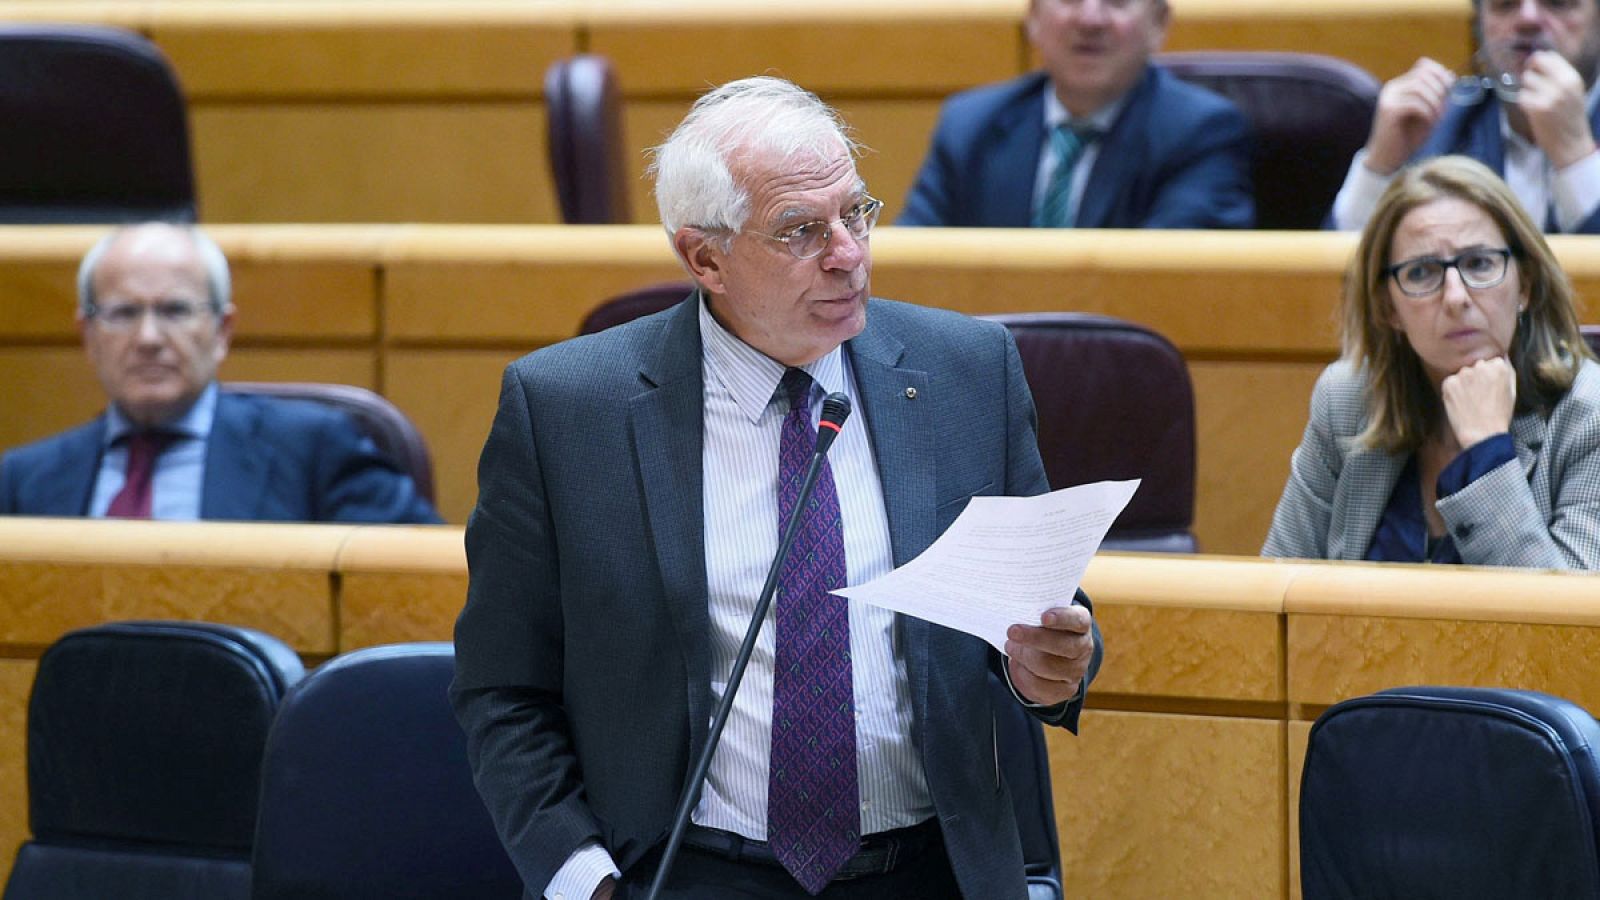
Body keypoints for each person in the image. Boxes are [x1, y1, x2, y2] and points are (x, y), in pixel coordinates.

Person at [453, 76, 1103, 900]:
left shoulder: (968, 372)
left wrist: (1053, 664)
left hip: (928, 870)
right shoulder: (568, 412)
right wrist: (588, 883)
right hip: (691, 873)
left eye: (856, 213)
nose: (848, 254)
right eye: (801, 231)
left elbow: (1038, 614)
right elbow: (503, 691)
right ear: (704, 257)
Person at [1265, 155, 1600, 568]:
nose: (1456, 296)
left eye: (1479, 264)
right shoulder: (1348, 401)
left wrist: (1486, 453)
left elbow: (1570, 626)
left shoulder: (1588, 415)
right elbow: (1278, 588)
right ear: (1388, 307)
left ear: (1525, 285)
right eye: (1422, 273)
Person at [0, 222, 440, 524]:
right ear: (89, 335)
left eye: (175, 310)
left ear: (222, 331)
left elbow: (415, 586)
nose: (149, 337)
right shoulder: (22, 482)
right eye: (123, 312)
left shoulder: (316, 451)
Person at [897, 0, 1253, 229]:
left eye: (1116, 2)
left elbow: (1173, 282)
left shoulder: (1201, 131)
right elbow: (917, 264)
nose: (1090, 18)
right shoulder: (970, 124)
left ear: (1159, 23)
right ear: (1033, 17)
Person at [1332, 0, 1600, 233]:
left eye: (1558, 2)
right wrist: (1379, 167)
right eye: (1505, 4)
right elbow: (1330, 278)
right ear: (1479, 26)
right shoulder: (1436, 124)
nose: (1527, 19)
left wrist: (1576, 159)